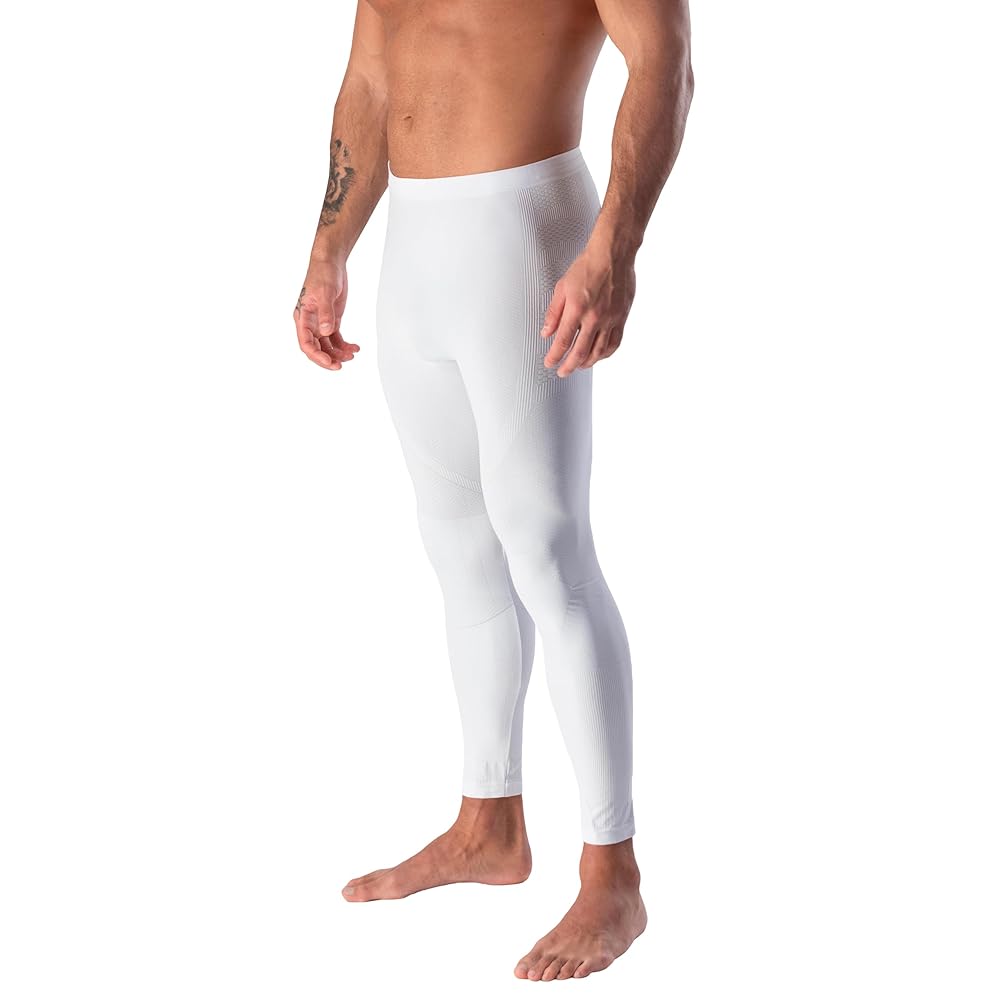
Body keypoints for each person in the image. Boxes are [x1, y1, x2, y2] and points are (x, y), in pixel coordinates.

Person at [292, 0, 693, 981]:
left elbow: (664, 65)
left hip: (525, 224)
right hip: (415, 247)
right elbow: (370, 78)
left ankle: (612, 873)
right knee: (459, 548)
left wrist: (614, 249)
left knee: (547, 549)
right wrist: (327, 250)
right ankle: (488, 822)